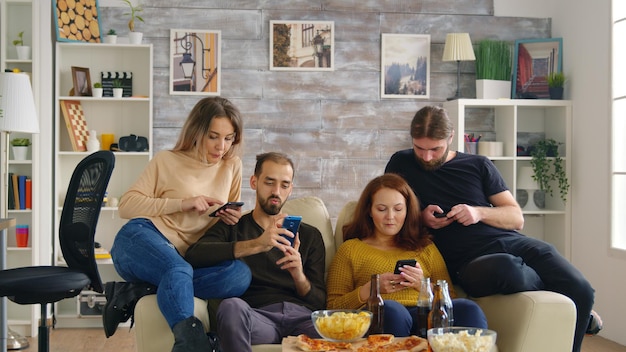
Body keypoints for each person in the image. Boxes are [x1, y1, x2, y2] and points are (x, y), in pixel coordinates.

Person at [385, 105, 601, 352]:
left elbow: (516, 218)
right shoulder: (401, 163)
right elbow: (386, 207)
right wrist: (421, 218)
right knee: (507, 269)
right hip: (468, 262)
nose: (426, 157)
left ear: (451, 138)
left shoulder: (478, 164)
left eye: (435, 149)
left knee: (581, 289)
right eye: (419, 148)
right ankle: (564, 296)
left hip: (512, 241)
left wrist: (478, 212)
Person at [106, 97, 252, 351]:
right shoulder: (166, 160)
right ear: (197, 131)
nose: (221, 147)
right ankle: (192, 342)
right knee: (177, 269)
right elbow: (126, 206)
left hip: (187, 258)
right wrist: (182, 203)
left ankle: (136, 290)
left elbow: (227, 216)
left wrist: (232, 219)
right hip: (143, 237)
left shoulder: (232, 166)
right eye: (214, 136)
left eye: (229, 138)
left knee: (240, 274)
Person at [185, 152, 326, 352]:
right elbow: (194, 255)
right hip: (256, 317)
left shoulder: (310, 235)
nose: (276, 191)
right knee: (231, 306)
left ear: (290, 189)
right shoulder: (233, 226)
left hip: (302, 318)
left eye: (284, 185)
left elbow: (320, 301)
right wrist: (257, 244)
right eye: (269, 182)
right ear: (254, 182)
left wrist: (298, 275)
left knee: (336, 327)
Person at [326, 173, 487, 336]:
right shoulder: (351, 249)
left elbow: (449, 298)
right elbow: (332, 308)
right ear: (369, 210)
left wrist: (423, 286)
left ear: (407, 210)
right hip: (386, 316)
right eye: (382, 209)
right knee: (392, 310)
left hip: (427, 316)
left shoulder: (425, 247)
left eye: (398, 209)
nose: (390, 217)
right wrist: (371, 290)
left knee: (468, 308)